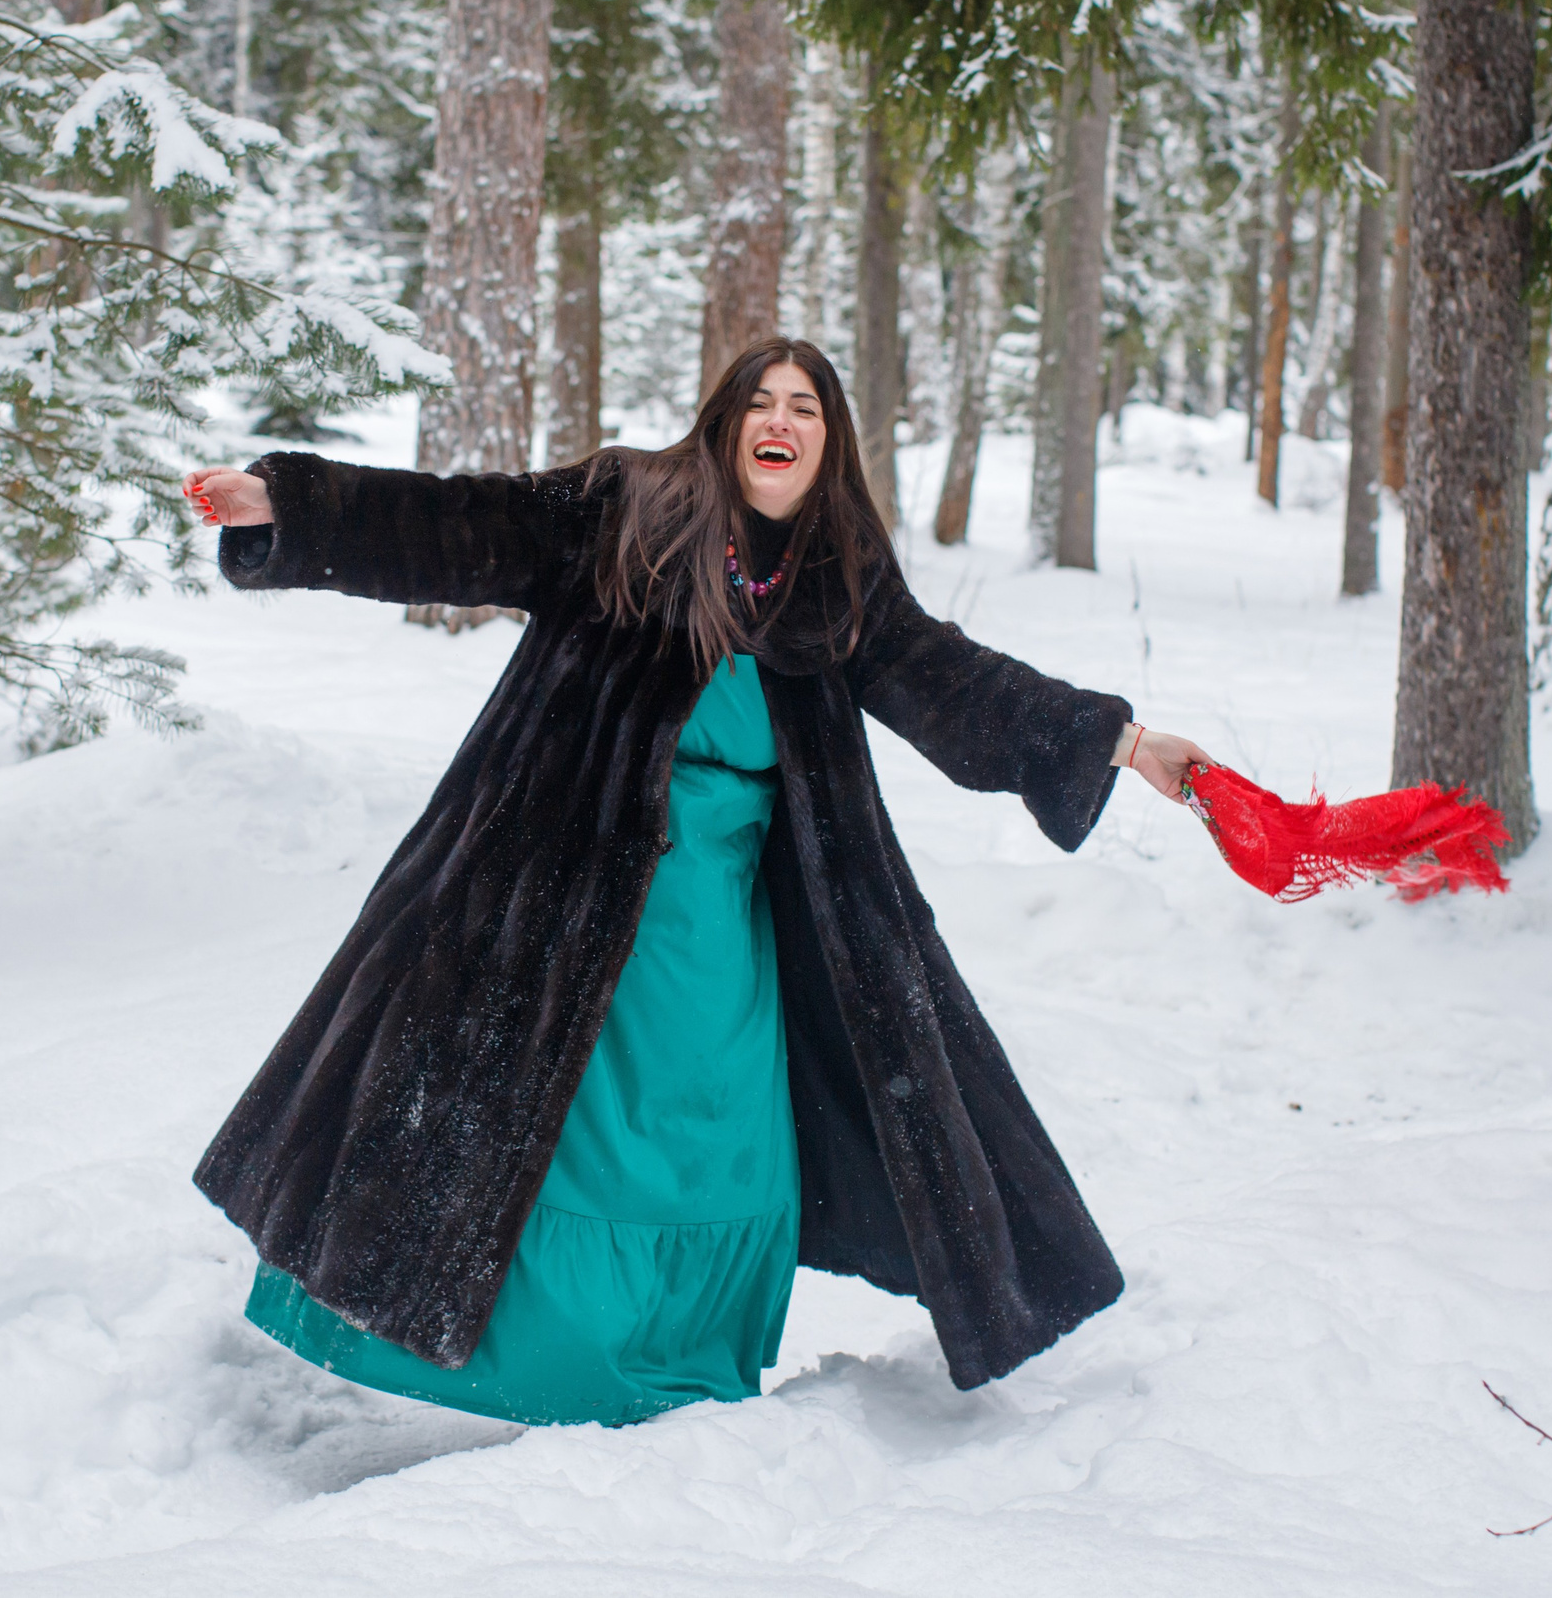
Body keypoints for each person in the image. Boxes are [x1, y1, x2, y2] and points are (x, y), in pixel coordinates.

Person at [181, 336, 1212, 1428]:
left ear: (830, 441)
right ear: (723, 425)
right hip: (557, 887)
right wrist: (287, 507)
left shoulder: (837, 573)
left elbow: (951, 682)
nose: (782, 421)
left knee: (718, 1129)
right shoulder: (626, 505)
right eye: (761, 402)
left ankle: (678, 1368)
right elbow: (461, 523)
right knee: (547, 1117)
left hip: (725, 910)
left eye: (806, 407)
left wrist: (1124, 742)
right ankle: (524, 1364)